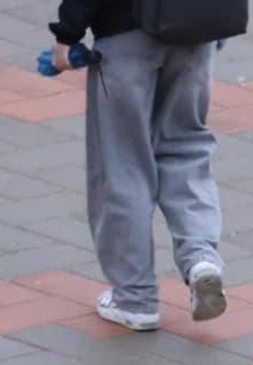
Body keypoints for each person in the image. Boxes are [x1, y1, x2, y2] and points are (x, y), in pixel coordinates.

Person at [50, 1, 228, 331]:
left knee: (122, 161)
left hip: (126, 33)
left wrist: (67, 34)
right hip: (198, 26)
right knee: (187, 147)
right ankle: (201, 258)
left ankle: (134, 299)